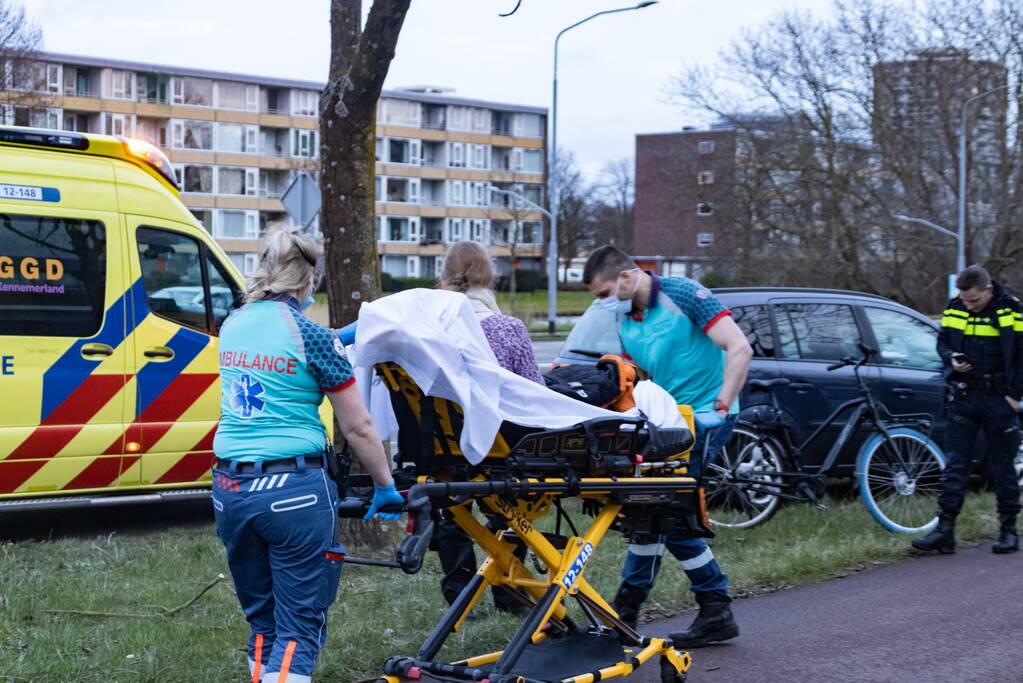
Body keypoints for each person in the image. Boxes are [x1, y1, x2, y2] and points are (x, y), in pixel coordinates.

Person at [211, 229, 403, 683]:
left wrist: (339, 337)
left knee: (263, 619)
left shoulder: (233, 324)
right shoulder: (313, 339)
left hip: (229, 491)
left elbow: (280, 350)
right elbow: (358, 426)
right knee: (300, 625)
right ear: (308, 279)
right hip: (293, 493)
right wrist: (385, 485)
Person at [583, 246, 752, 648]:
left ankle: (665, 606)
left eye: (603, 293)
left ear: (626, 277)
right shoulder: (626, 318)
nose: (602, 304)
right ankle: (695, 608)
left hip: (704, 421)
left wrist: (723, 403)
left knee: (664, 509)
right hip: (664, 426)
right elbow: (634, 377)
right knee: (651, 508)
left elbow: (739, 347)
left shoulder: (684, 295)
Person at [433, 240, 542, 611]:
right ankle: (510, 592)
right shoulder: (508, 329)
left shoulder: (430, 328)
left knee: (453, 510)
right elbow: (534, 395)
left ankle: (459, 596)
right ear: (488, 274)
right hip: (500, 450)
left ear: (445, 276)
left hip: (443, 448)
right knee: (507, 510)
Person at [912, 265, 1022, 555]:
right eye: (963, 299)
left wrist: (1015, 396)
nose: (968, 305)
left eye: (973, 300)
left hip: (999, 399)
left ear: (988, 289)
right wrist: (952, 358)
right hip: (964, 396)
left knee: (1001, 467)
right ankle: (945, 531)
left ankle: (1008, 530)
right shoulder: (956, 306)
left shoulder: (1011, 310)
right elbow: (943, 341)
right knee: (955, 465)